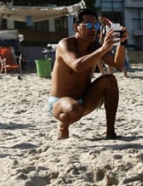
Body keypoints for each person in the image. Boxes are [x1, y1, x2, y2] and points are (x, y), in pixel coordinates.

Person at [48, 8, 128, 140]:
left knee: (110, 80)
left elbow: (118, 64)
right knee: (74, 109)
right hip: (60, 102)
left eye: (96, 25)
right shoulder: (65, 44)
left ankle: (111, 132)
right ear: (76, 27)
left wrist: (122, 43)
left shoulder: (95, 46)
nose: (93, 29)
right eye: (89, 25)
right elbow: (77, 66)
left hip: (84, 99)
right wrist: (103, 49)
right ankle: (63, 123)